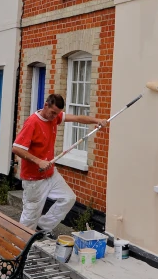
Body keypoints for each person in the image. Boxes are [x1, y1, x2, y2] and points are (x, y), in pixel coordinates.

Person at [12, 93, 107, 236]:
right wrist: (38, 161)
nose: (54, 116)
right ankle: (19, 248)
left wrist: (97, 120)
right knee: (29, 218)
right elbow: (16, 148)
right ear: (45, 105)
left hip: (50, 174)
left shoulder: (55, 117)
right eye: (52, 112)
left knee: (68, 198)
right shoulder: (32, 122)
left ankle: (42, 228)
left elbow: (77, 118)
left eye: (57, 114)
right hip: (34, 179)